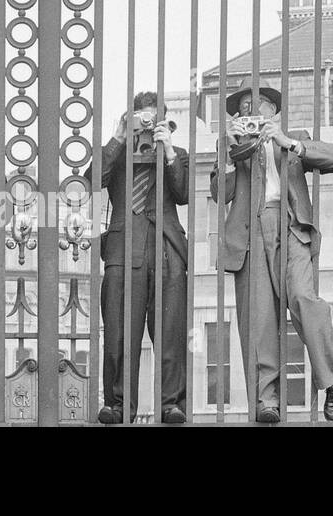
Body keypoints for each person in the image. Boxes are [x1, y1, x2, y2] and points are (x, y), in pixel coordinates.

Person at [210, 86, 333, 423]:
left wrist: (288, 142)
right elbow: (219, 192)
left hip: (290, 227)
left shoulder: (293, 137)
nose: (251, 113)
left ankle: (332, 378)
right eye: (243, 109)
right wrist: (228, 149)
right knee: (259, 319)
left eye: (259, 107)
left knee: (304, 297)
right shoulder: (232, 147)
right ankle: (266, 400)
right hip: (250, 233)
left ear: (273, 112)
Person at [86, 92, 190, 424]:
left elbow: (184, 193)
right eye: (141, 119)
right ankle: (118, 406)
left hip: (165, 248)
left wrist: (168, 150)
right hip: (122, 249)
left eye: (152, 120)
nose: (146, 127)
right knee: (118, 332)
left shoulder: (178, 154)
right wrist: (118, 138)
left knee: (170, 333)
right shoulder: (116, 156)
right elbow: (90, 180)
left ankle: (171, 404)